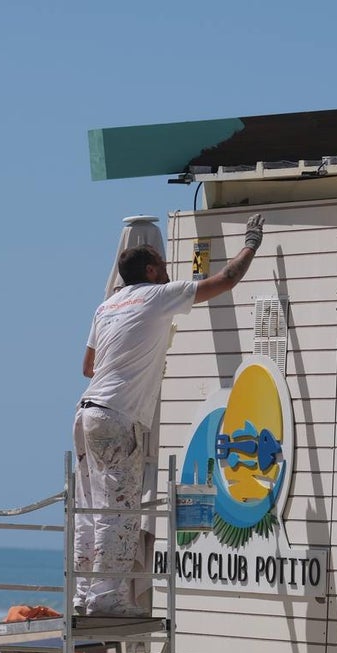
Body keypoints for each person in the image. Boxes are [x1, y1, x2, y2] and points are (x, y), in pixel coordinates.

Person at [73, 213, 265, 616]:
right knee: (119, 509)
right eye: (162, 266)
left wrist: (133, 353)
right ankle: (106, 598)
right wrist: (251, 242)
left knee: (91, 507)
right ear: (149, 270)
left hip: (87, 412)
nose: (168, 271)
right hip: (116, 415)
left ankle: (83, 594)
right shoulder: (158, 296)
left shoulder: (106, 305)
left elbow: (88, 368)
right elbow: (226, 279)